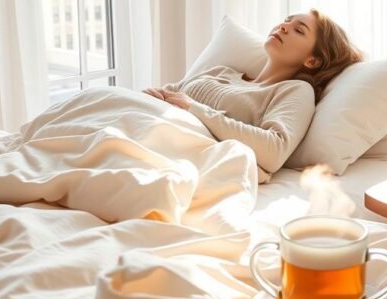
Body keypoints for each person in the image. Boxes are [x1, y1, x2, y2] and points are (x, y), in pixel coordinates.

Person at [143, 10, 363, 178]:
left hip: (177, 158)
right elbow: (166, 93)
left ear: (312, 60)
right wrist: (148, 96)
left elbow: (274, 152)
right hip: (147, 129)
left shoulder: (295, 91)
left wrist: (195, 109)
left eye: (299, 30)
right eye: (287, 20)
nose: (284, 26)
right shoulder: (221, 72)